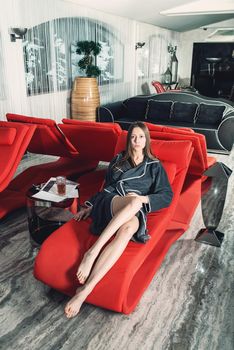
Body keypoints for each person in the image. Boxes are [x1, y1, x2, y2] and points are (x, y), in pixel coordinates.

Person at [65, 121, 173, 318]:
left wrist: (144, 198)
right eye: (133, 137)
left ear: (146, 139)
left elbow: (166, 195)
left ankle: (86, 290)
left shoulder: (154, 166)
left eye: (141, 136)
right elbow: (105, 186)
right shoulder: (118, 160)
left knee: (127, 230)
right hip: (112, 202)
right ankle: (92, 252)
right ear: (129, 139)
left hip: (135, 209)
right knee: (133, 203)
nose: (137, 140)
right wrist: (89, 205)